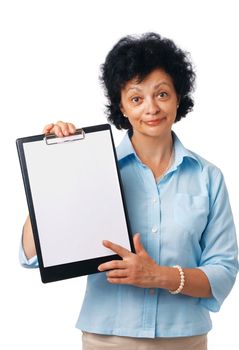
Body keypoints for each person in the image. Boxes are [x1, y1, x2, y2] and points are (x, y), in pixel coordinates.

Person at [20, 33, 238, 350]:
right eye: (136, 98)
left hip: (184, 340)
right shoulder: (93, 168)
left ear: (179, 97)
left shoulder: (208, 177)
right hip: (106, 340)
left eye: (162, 94)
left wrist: (159, 276)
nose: (151, 108)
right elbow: (31, 254)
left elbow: (223, 272)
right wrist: (56, 167)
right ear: (121, 107)